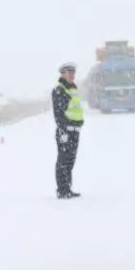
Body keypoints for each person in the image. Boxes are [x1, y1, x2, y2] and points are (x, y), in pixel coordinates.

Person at [52, 62, 85, 199]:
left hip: (75, 130)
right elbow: (58, 113)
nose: (72, 76)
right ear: (63, 74)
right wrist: (63, 130)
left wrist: (79, 122)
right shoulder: (60, 89)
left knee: (70, 161)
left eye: (73, 73)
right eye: (70, 73)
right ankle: (62, 190)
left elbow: (76, 109)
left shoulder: (72, 88)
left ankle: (67, 188)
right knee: (63, 161)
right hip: (65, 131)